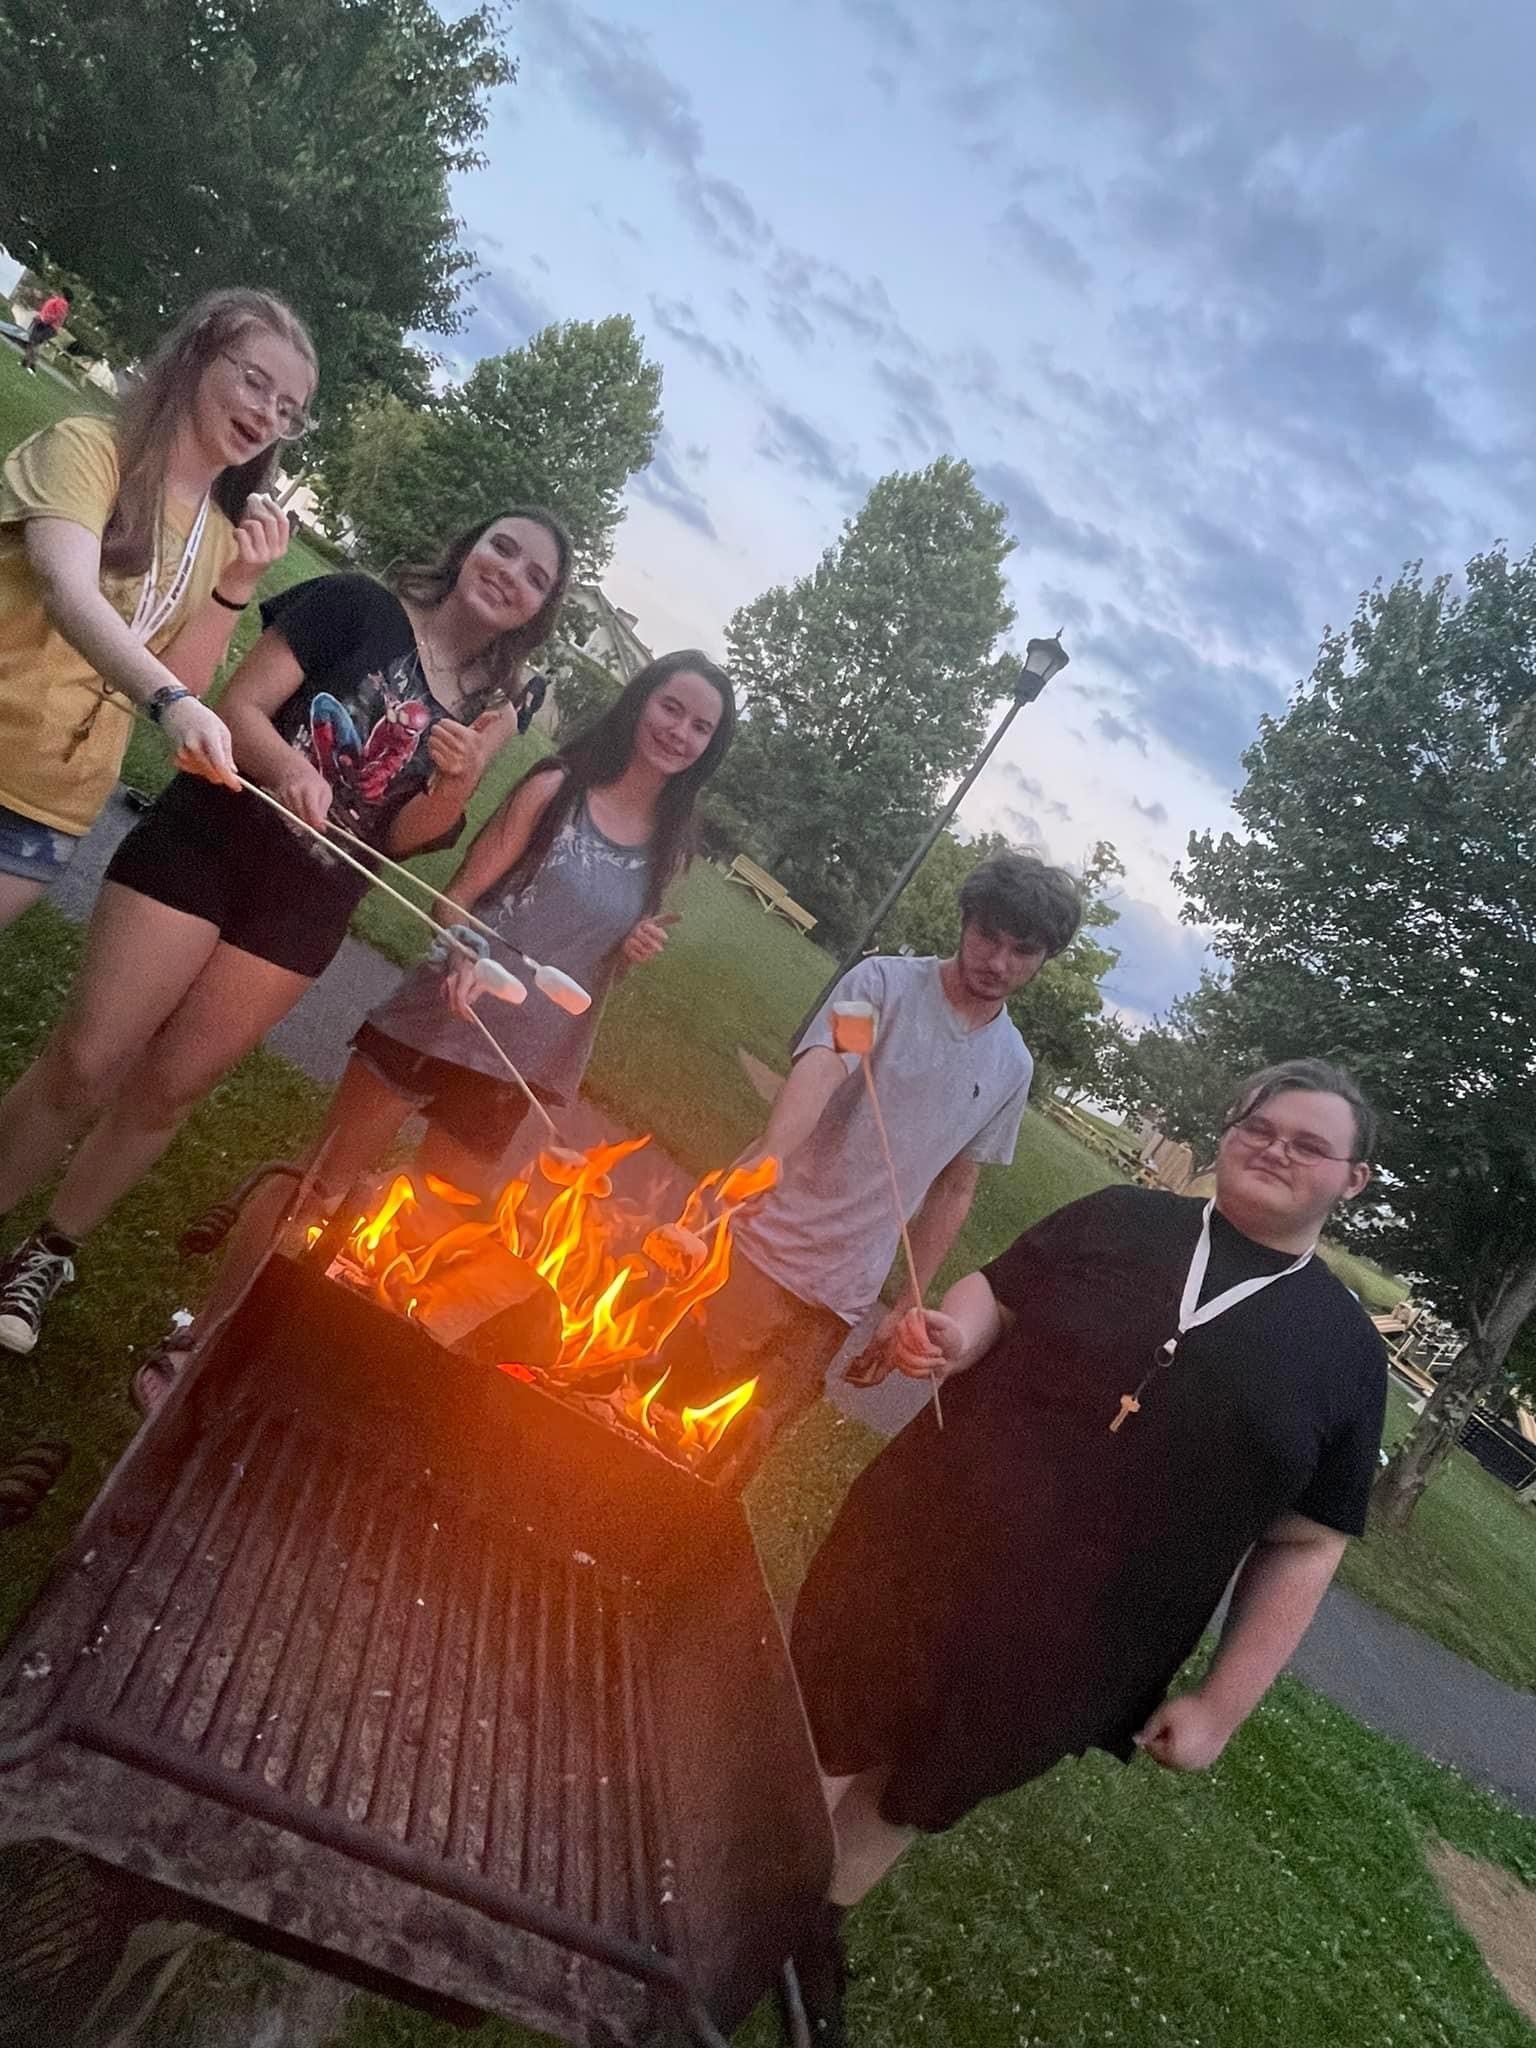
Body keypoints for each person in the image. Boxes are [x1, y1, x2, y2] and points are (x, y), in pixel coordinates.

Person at [786, 1059, 1387, 2043]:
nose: (1274, 1147)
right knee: (826, 1727)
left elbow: (1308, 1543)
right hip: (922, 1539)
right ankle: (730, 1896)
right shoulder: (1121, 1216)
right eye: (1258, 1125)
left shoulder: (1348, 1357)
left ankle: (810, 1924)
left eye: (1308, 1141)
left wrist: (1220, 1707)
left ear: (1353, 1179)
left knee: (926, 1780)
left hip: (1085, 1635)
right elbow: (999, 1288)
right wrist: (956, 1330)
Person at [0, 508, 572, 1358]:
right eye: (503, 548)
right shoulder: (353, 605)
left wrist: (459, 781)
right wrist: (290, 764)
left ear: (538, 610)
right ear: (468, 549)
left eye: (536, 577)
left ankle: (48, 1253)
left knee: (171, 1087)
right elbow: (239, 705)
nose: (511, 575)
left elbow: (405, 837)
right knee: (87, 1057)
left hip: (305, 907)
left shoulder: (489, 711)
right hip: (208, 840)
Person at [665, 852, 1083, 1444]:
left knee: (737, 1448)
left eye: (1023, 951)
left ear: (1043, 959)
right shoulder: (881, 987)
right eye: (988, 936)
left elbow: (956, 1185)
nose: (997, 962)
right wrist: (770, 1157)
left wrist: (907, 1305)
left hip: (843, 1294)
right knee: (657, 1407)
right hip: (757, 1244)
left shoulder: (1010, 1066)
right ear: (964, 919)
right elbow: (827, 1065)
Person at [298, 649, 736, 1209]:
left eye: (700, 727)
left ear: (709, 748)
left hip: (519, 1060)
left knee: (423, 1236)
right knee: (318, 1186)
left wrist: (628, 947)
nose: (679, 732)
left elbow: (593, 966)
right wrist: (462, 953)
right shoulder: (558, 787)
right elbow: (455, 898)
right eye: (670, 708)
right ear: (640, 701)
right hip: (440, 1015)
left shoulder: (671, 846)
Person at [0, 285, 314, 932]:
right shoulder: (90, 450)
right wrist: (172, 704)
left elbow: (182, 679)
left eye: (288, 409)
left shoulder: (219, 536)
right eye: (256, 383)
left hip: (52, 807)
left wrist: (240, 579)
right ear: (199, 355)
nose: (267, 415)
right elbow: (67, 588)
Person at [21, 291, 70, 373]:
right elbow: (47, 311)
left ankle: (32, 364)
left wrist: (43, 320)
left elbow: (56, 316)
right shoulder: (57, 300)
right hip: (44, 322)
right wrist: (40, 316)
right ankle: (26, 361)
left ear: (64, 294)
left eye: (61, 291)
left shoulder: (62, 303)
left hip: (48, 326)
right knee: (32, 342)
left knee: (35, 343)